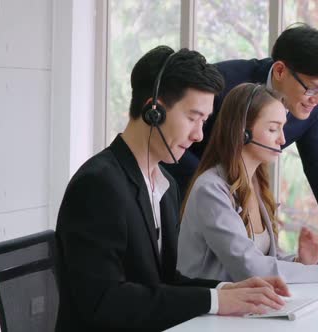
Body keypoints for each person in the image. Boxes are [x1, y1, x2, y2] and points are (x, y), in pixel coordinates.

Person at [55, 46, 290, 332]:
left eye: (204, 121)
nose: (199, 135)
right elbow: (105, 301)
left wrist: (231, 290)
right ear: (153, 110)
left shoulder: (165, 185)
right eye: (193, 118)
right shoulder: (98, 186)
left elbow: (165, 282)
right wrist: (216, 301)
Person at [165, 24, 318, 251]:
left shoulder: (313, 105)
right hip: (184, 194)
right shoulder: (223, 84)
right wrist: (216, 192)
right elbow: (169, 140)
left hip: (242, 206)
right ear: (279, 71)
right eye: (313, 89)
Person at [177, 83, 318, 283]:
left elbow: (265, 261)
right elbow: (249, 267)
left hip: (248, 306)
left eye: (282, 128)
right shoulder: (210, 190)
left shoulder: (256, 185)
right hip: (211, 310)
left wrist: (302, 261)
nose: (282, 139)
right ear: (243, 133)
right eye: (273, 129)